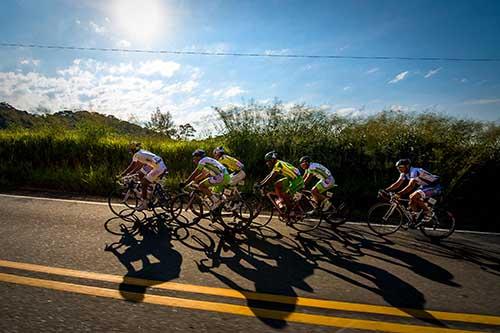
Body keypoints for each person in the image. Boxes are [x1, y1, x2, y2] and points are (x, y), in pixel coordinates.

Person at [118, 142, 168, 211]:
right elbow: (140, 166)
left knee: (144, 183)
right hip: (157, 165)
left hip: (158, 168)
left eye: (130, 150)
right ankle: (149, 190)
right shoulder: (142, 152)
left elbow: (132, 166)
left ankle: (144, 204)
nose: (130, 152)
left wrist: (122, 175)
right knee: (141, 174)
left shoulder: (137, 155)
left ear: (133, 150)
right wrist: (133, 173)